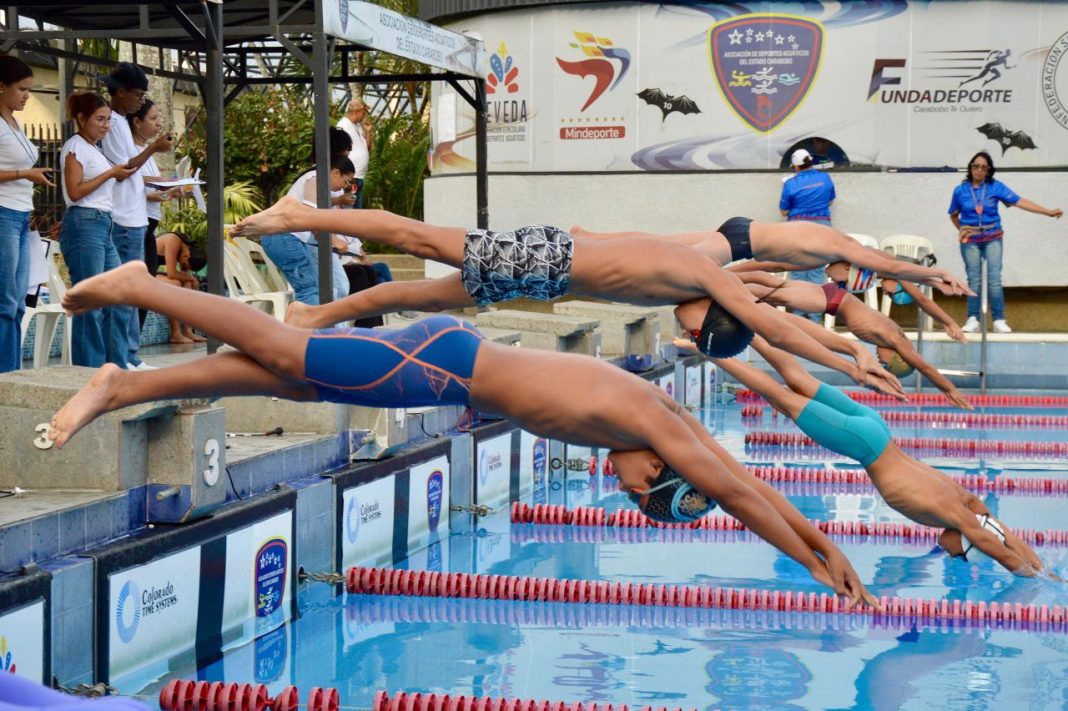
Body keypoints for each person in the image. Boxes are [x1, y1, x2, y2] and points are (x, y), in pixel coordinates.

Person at [51, 261, 878, 607]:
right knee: (282, 351)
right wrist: (816, 561)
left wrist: (816, 539)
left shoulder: (659, 424)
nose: (625, 489)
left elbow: (751, 485)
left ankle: (126, 384)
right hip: (441, 371)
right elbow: (737, 493)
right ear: (662, 465)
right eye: (642, 490)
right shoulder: (648, 420)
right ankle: (145, 286)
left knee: (288, 374)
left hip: (448, 358)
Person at [231, 201, 908, 397]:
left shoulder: (703, 285)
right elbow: (773, 326)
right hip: (547, 257)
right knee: (421, 238)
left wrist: (849, 358)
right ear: (714, 314)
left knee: (422, 291)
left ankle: (318, 315)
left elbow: (772, 318)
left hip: (547, 276)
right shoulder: (710, 273)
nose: (690, 331)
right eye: (703, 333)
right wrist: (852, 359)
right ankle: (301, 214)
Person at [688, 334, 1049, 577]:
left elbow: (995, 528)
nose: (950, 553)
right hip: (860, 444)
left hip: (876, 428)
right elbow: (988, 537)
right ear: (965, 540)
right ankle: (705, 349)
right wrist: (1021, 572)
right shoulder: (952, 514)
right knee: (778, 394)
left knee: (794, 377)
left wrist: (1040, 567)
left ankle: (745, 329)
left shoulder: (962, 498)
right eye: (960, 553)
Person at [737, 265, 972, 409]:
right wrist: (949, 389)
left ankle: (731, 280)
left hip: (834, 297)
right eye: (884, 363)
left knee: (773, 287)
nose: (878, 360)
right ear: (895, 358)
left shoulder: (890, 337)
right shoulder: (896, 340)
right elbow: (925, 367)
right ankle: (725, 285)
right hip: (833, 301)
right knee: (772, 295)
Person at [570, 217, 971, 297]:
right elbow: (892, 265)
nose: (834, 281)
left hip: (740, 237)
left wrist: (734, 278)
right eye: (841, 280)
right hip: (739, 239)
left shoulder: (822, 252)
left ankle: (589, 236)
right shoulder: (843, 247)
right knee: (658, 260)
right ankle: (587, 261)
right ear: (852, 267)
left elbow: (770, 265)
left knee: (661, 241)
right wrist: (938, 276)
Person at [99, 61, 174, 370]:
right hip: (122, 218)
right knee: (123, 294)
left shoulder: (117, 122)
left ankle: (129, 355)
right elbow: (124, 169)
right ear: (123, 92)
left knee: (134, 293)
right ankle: (121, 357)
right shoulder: (114, 124)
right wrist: (154, 149)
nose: (141, 101)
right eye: (140, 96)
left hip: (135, 218)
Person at [58, 91, 137, 367]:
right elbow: (75, 192)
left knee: (119, 295)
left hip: (102, 224)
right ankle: (88, 372)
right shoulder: (75, 147)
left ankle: (116, 366)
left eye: (107, 120)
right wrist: (110, 174)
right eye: (99, 119)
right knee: (89, 301)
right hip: (84, 223)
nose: (105, 125)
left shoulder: (95, 149)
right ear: (81, 119)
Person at [949, 151, 1062, 334]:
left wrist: (1046, 212)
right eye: (975, 166)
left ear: (989, 171)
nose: (979, 170)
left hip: (993, 238)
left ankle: (999, 319)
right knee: (973, 280)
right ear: (970, 168)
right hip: (970, 242)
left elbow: (1020, 201)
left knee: (994, 279)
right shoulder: (960, 190)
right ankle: (972, 319)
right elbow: (953, 215)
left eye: (983, 167)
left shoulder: (996, 187)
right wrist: (962, 229)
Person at [0, 54, 54, 372]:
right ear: (2, 86)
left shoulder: (15, 122)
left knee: (19, 301)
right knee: (6, 301)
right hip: (3, 213)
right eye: (22, 89)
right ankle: (5, 376)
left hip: (20, 215)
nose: (27, 95)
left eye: (29, 89)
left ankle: (12, 371)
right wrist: (24, 174)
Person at [257, 156, 356, 305]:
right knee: (310, 289)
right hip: (283, 237)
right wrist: (334, 241)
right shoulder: (315, 179)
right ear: (336, 172)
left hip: (286, 237)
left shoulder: (319, 183)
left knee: (315, 287)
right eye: (346, 181)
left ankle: (318, 326)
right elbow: (311, 218)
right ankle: (310, 327)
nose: (344, 186)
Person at [128, 99, 177, 330]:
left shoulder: (145, 152)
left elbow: (144, 188)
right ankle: (128, 349)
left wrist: (165, 192)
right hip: (138, 223)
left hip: (148, 223)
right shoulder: (132, 150)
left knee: (147, 284)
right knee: (140, 286)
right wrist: (160, 185)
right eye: (153, 119)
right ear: (137, 121)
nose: (158, 124)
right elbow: (127, 181)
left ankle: (132, 348)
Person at [779, 148, 835, 322]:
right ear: (810, 161)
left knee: (797, 272)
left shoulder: (790, 184)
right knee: (817, 271)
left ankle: (799, 316)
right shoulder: (825, 178)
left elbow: (783, 211)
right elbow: (831, 200)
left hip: (798, 229)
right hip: (822, 227)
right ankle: (815, 317)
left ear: (796, 166)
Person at [155, 231, 206, 344]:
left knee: (187, 284)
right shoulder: (173, 240)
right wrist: (191, 278)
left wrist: (190, 280)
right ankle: (175, 333)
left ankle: (188, 330)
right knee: (175, 284)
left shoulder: (186, 246)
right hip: (144, 273)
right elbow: (172, 274)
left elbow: (185, 274)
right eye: (185, 264)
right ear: (187, 256)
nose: (183, 267)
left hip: (154, 273)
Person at [335, 98, 372, 208]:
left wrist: (368, 132)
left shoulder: (359, 126)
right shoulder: (343, 125)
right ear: (356, 112)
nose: (364, 116)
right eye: (363, 113)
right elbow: (338, 149)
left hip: (359, 176)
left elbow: (367, 148)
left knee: (356, 209)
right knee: (349, 209)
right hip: (350, 176)